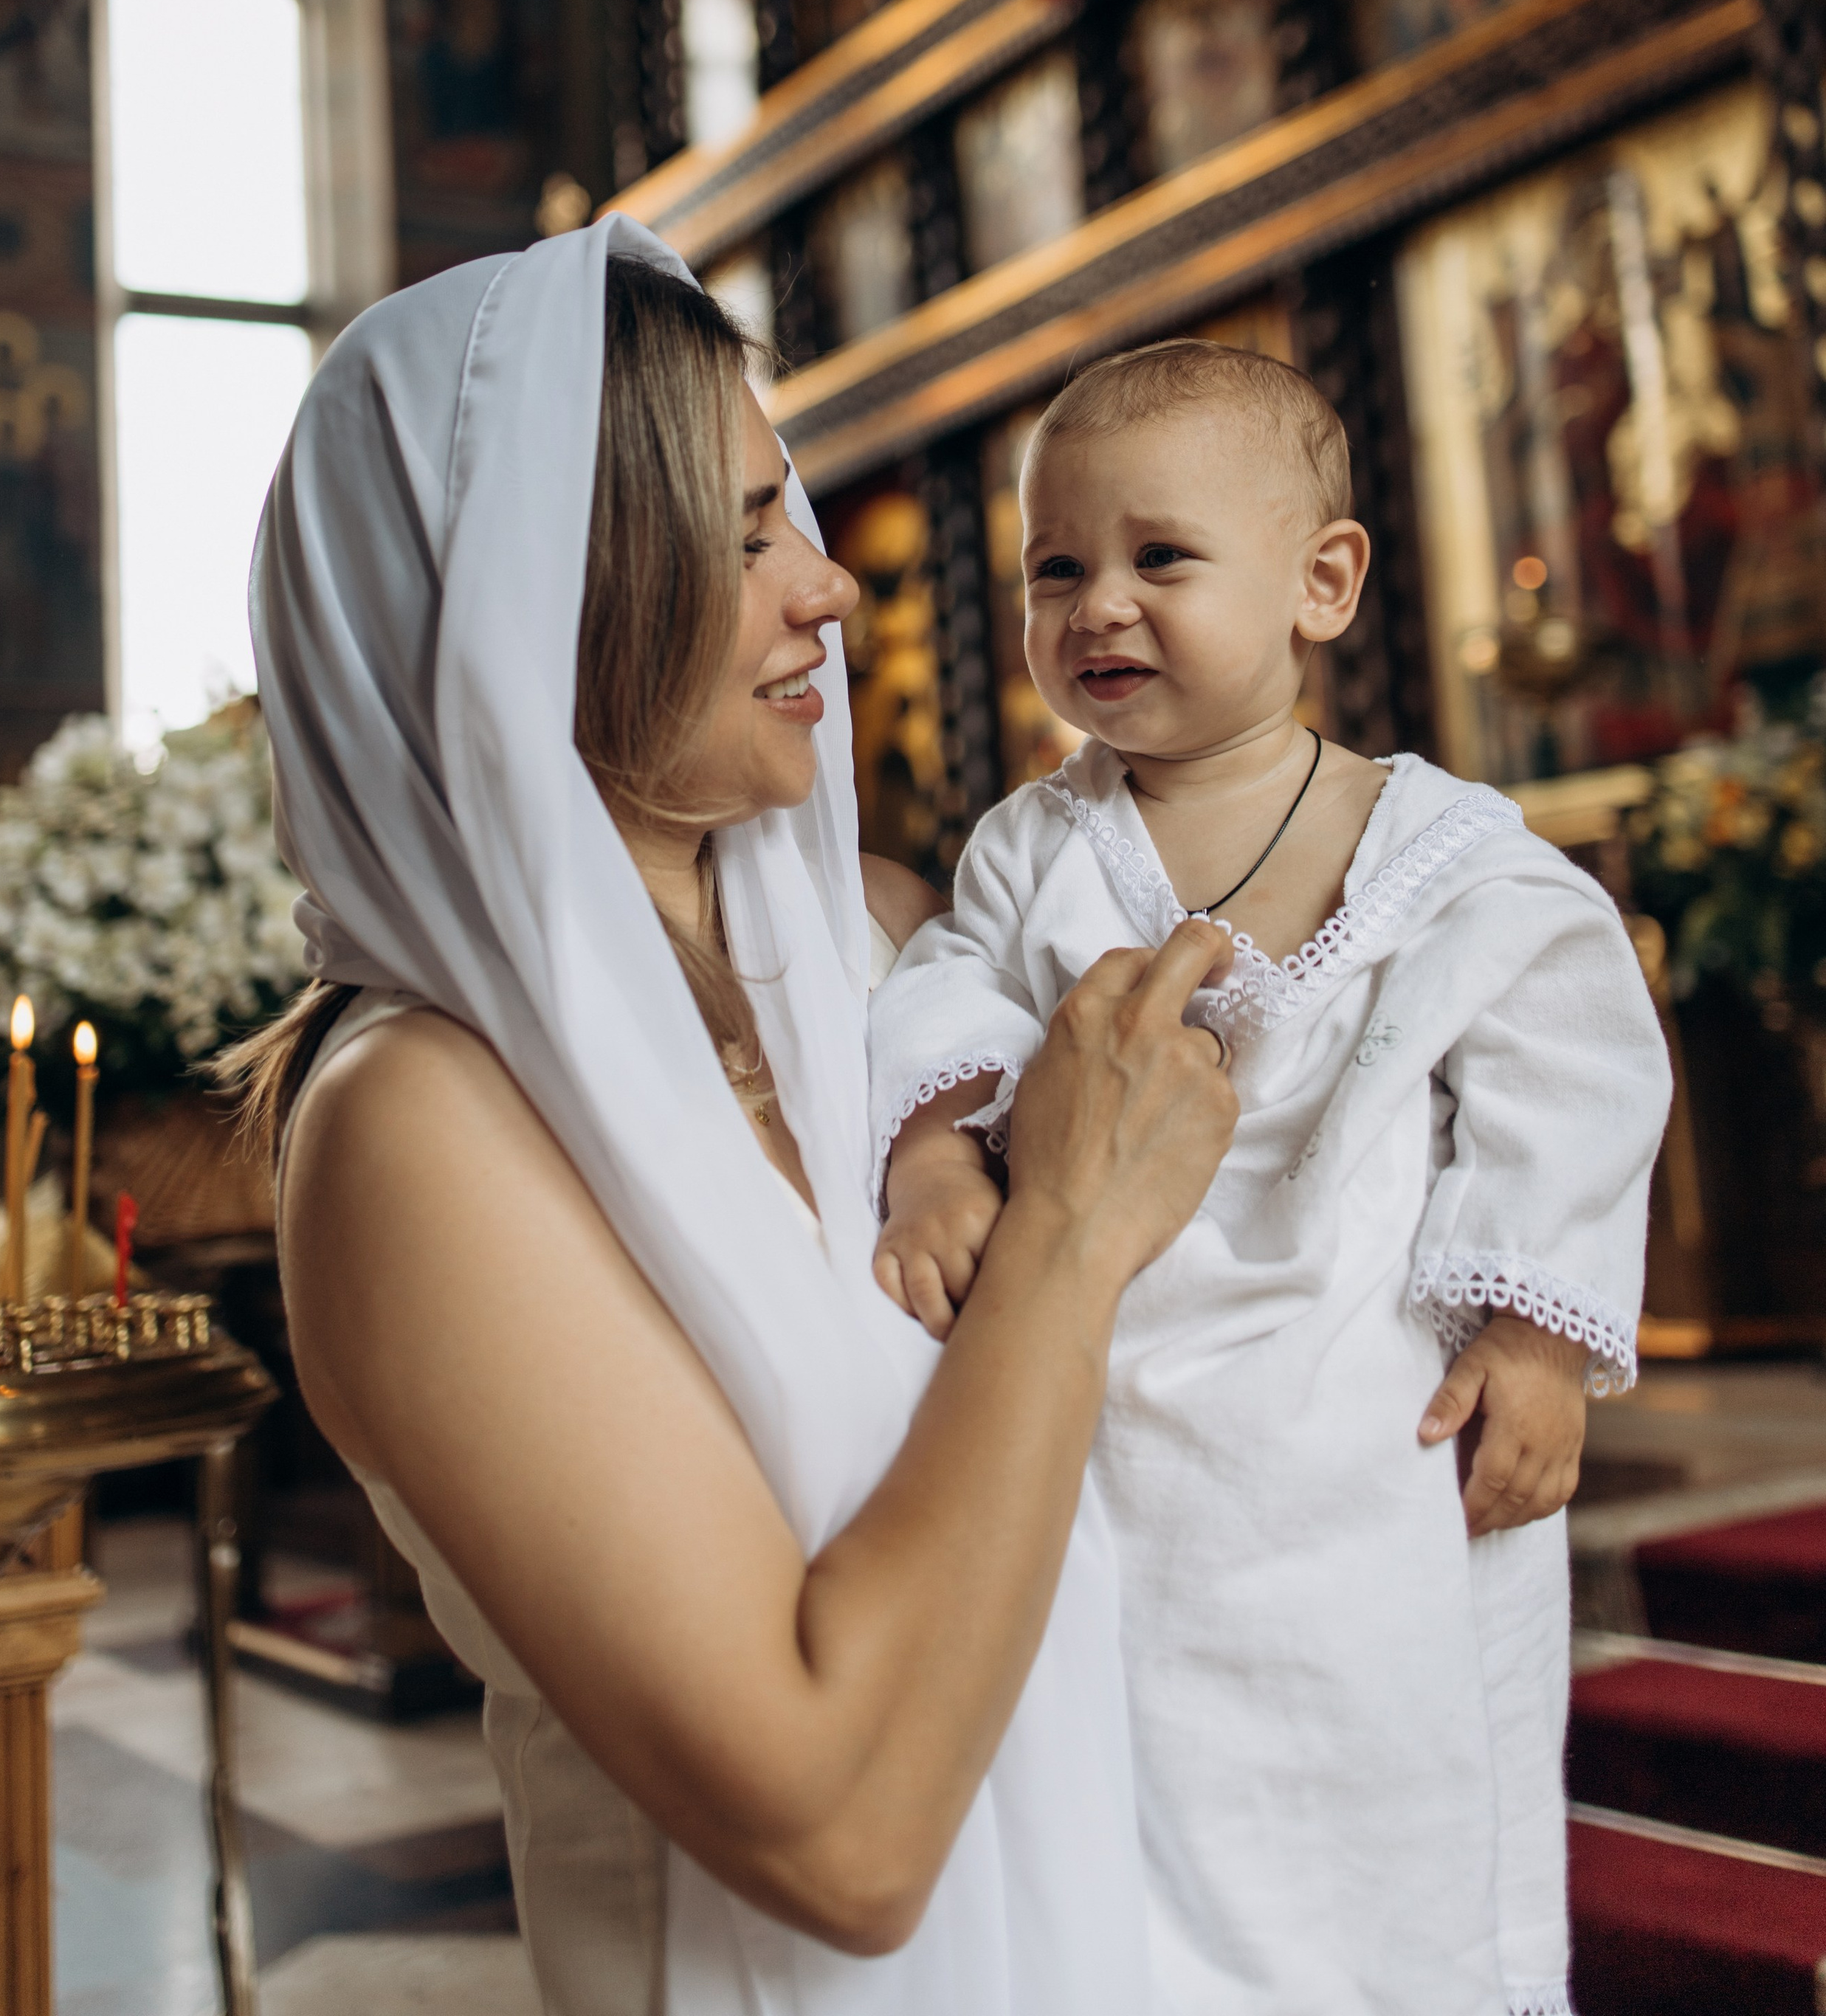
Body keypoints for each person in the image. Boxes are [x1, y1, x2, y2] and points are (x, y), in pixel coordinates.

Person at [235, 224, 1241, 2016]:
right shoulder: (415, 1122)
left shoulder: (863, 946)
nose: (828, 589)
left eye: (796, 510)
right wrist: (1072, 1231)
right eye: (745, 534)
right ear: (521, 606)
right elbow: (835, 1836)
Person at [869, 336, 1672, 2016]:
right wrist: (936, 1153)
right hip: (1120, 1426)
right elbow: (943, 988)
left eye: (1159, 558)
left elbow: (1571, 1073)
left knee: (1378, 1767)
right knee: (1134, 1775)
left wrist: (1529, 1336)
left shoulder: (1442, 857)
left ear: (1319, 583)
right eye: (1054, 568)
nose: (1097, 606)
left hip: (1367, 1409)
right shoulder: (1035, 848)